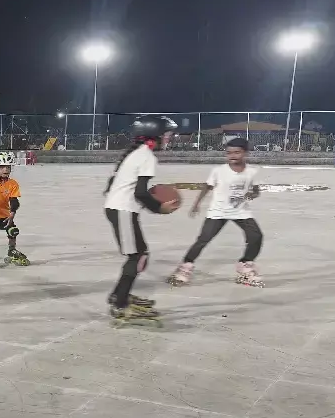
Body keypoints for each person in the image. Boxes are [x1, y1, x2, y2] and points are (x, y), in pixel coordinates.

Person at [103, 115, 181, 324]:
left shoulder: (138, 153)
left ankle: (119, 296)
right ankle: (120, 305)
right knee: (138, 257)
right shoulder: (147, 156)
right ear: (155, 135)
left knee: (139, 255)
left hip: (120, 209)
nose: (169, 138)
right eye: (167, 134)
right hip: (123, 209)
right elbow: (140, 192)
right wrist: (160, 208)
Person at [168, 138, 264, 288]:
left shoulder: (252, 172)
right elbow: (207, 187)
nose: (232, 156)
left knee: (256, 236)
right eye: (229, 153)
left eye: (237, 152)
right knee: (203, 239)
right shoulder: (219, 171)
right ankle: (185, 267)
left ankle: (245, 265)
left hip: (240, 211)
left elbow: (256, 190)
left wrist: (252, 194)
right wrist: (196, 204)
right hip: (218, 211)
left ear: (245, 153)